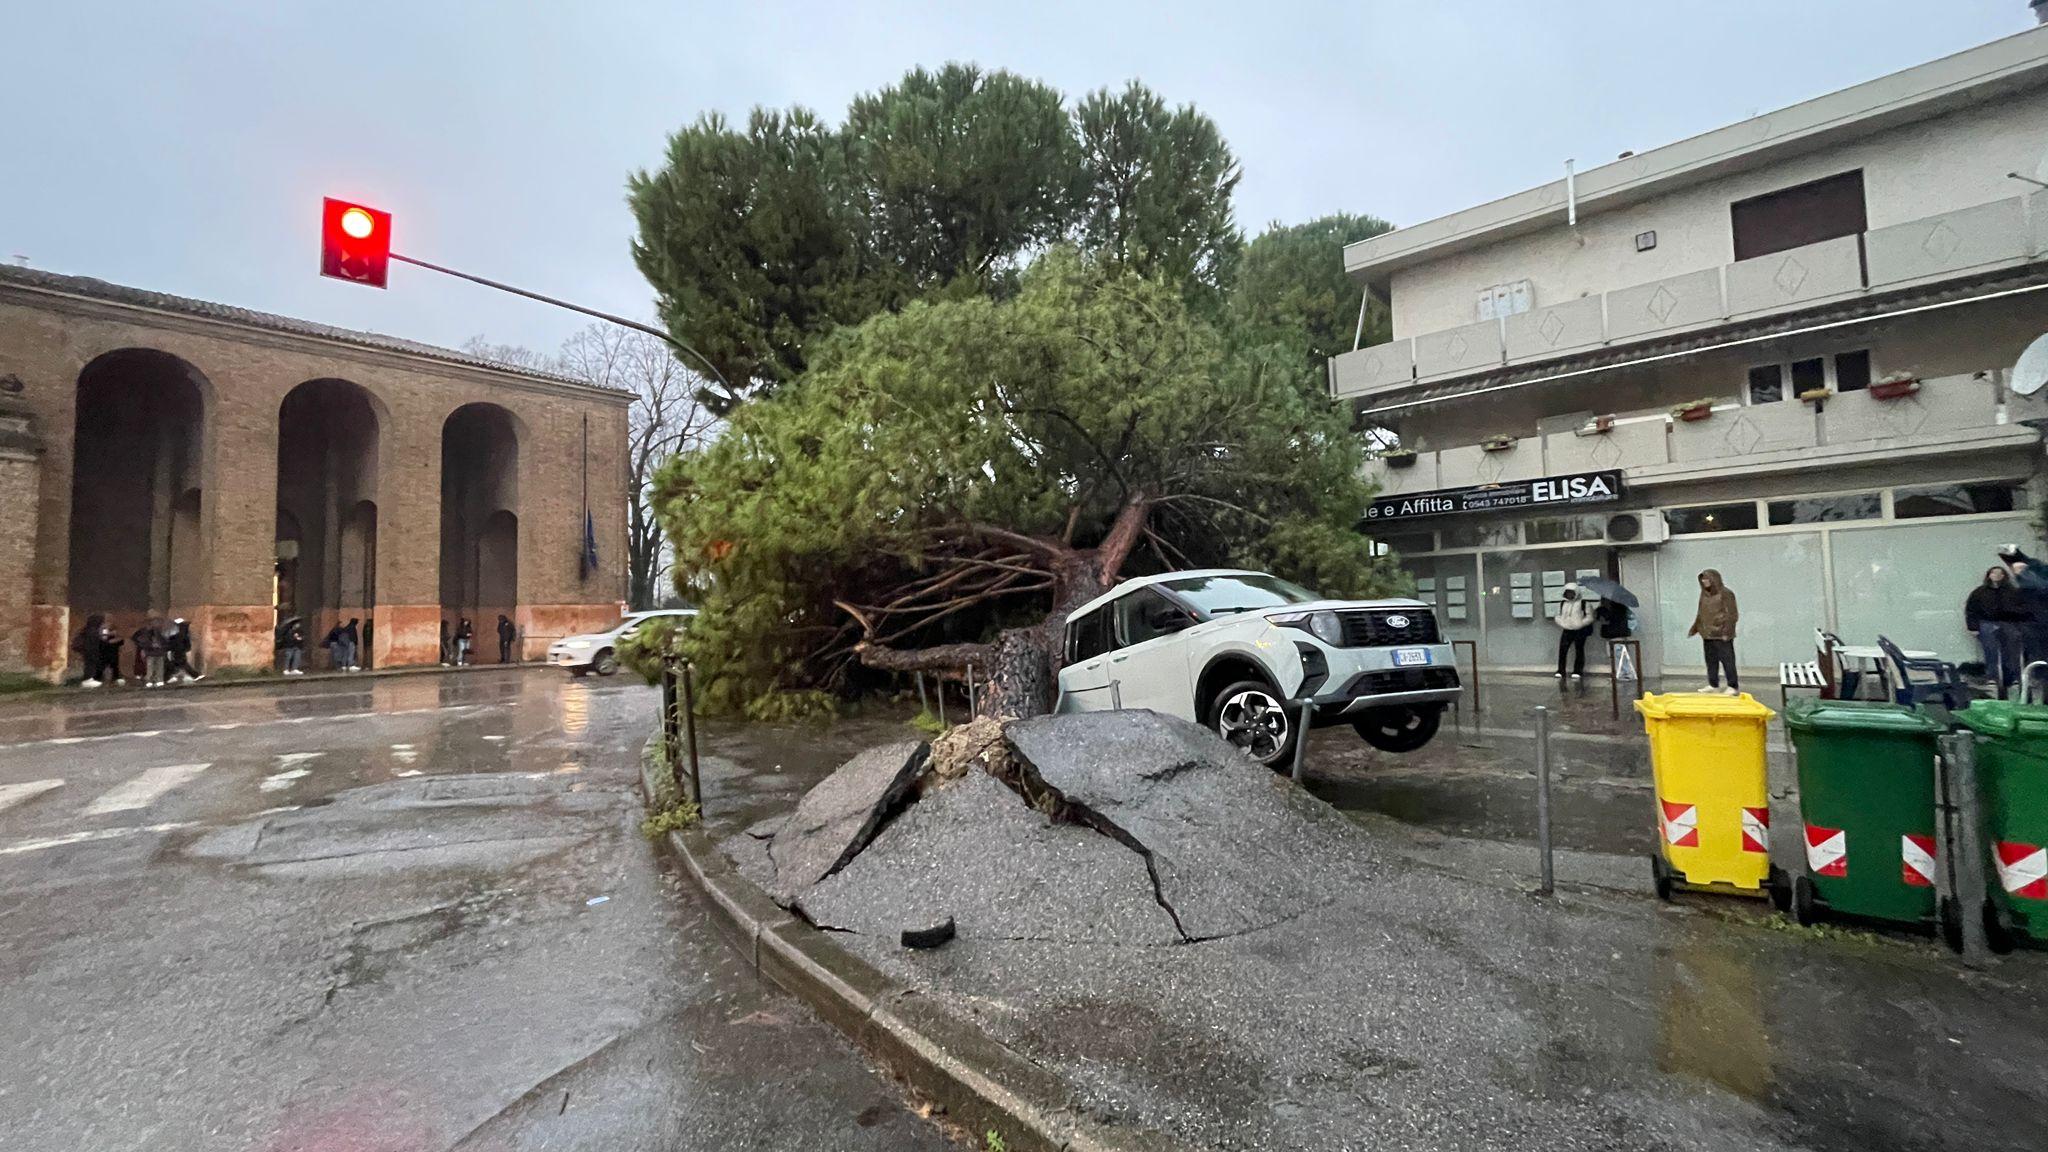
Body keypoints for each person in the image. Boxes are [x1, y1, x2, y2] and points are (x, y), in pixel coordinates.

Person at [1966, 567, 2025, 695]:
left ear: (2004, 576)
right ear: (1989, 575)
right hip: (1987, 623)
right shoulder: (1979, 592)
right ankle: (1992, 678)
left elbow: (2024, 609)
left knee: (2011, 652)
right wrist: (1973, 627)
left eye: (2000, 573)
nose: (1996, 575)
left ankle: (2012, 679)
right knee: (1990, 651)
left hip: (2009, 623)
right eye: (1993, 573)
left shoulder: (2013, 592)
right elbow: (1971, 610)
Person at [1687, 568, 1740, 694]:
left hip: (1721, 634)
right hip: (1707, 634)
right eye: (1703, 579)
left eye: (1707, 578)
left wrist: (1727, 631)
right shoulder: (1704, 595)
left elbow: (1732, 614)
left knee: (1728, 661)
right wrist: (1696, 627)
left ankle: (1733, 686)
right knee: (1711, 661)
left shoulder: (1726, 593)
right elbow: (1701, 613)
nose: (1704, 581)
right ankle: (1713, 684)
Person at [1553, 583, 1596, 680]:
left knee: (1579, 650)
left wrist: (1580, 623)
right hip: (1567, 630)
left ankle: (1578, 670)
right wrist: (1562, 623)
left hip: (1580, 630)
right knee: (1562, 650)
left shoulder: (1584, 603)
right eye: (1567, 593)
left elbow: (1590, 617)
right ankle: (1560, 670)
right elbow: (1557, 615)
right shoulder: (1563, 604)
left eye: (1571, 593)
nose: (1569, 595)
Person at [75, 613, 109, 687]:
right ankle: (88, 680)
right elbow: (104, 639)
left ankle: (90, 679)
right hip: (93, 650)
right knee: (92, 665)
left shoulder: (87, 629)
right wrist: (105, 630)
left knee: (90, 664)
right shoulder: (95, 630)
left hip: (87, 650)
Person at [163, 618, 202, 682]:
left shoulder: (179, 632)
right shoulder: (182, 632)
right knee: (179, 664)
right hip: (179, 650)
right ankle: (195, 675)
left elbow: (175, 641)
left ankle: (166, 678)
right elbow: (186, 642)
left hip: (177, 650)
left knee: (178, 664)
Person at [132, 619, 168, 688]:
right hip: (151, 652)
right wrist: (149, 646)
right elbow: (143, 641)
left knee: (159, 667)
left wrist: (162, 647)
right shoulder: (147, 632)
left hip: (159, 652)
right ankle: (150, 681)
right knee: (150, 668)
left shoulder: (160, 632)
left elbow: (165, 641)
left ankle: (158, 680)